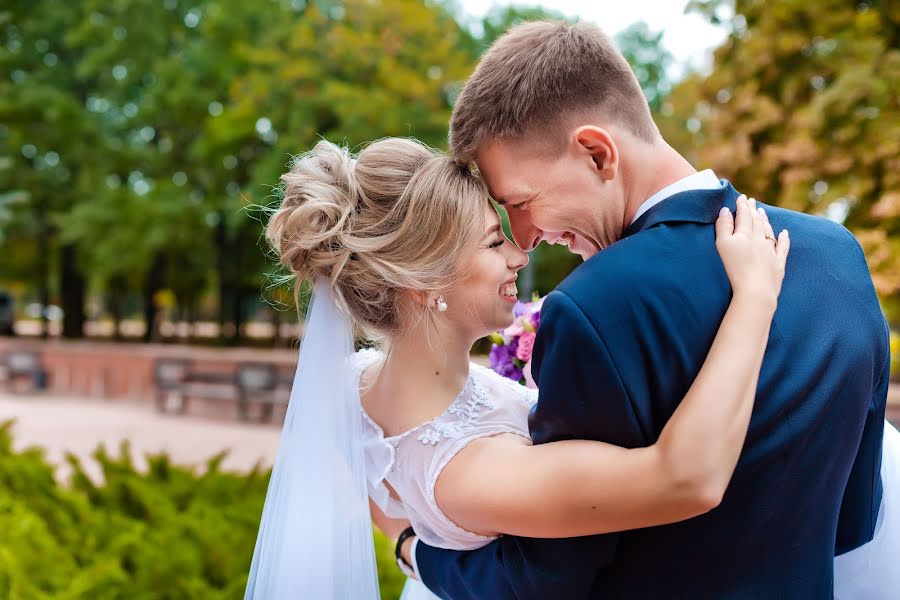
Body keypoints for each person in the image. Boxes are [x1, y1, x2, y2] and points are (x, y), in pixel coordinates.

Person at [410, 20, 896, 599]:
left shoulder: (594, 309)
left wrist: (415, 552)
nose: (526, 235)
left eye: (521, 201)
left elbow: (546, 579)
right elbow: (854, 516)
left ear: (597, 153)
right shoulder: (837, 254)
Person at [247, 135, 789, 599]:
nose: (519, 255)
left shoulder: (354, 386)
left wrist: (411, 547)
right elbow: (686, 479)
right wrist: (755, 298)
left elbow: (380, 496)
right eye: (492, 240)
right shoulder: (474, 470)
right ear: (422, 283)